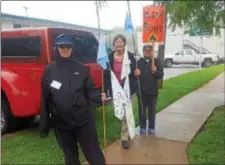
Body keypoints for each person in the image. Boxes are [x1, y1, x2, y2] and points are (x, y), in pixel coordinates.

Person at [40, 34, 106, 165]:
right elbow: (45, 99)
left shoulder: (82, 69)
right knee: (71, 159)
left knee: (95, 156)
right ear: (56, 48)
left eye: (68, 46)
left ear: (72, 48)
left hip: (84, 122)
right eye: (62, 46)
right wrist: (44, 125)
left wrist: (98, 96)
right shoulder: (49, 70)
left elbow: (90, 91)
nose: (65, 49)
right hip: (62, 125)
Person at [101, 34, 137, 149]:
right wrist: (105, 91)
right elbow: (106, 76)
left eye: (121, 41)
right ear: (114, 45)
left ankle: (125, 137)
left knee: (127, 114)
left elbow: (135, 72)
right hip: (116, 90)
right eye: (117, 42)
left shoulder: (130, 56)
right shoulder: (109, 58)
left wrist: (137, 72)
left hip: (128, 90)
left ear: (124, 44)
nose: (119, 44)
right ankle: (126, 130)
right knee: (120, 113)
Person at [134, 45, 164, 135]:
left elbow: (160, 75)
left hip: (152, 92)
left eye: (149, 50)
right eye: (145, 50)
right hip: (141, 92)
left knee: (152, 111)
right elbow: (134, 76)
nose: (147, 51)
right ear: (143, 52)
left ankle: (151, 127)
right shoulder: (139, 62)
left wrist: (155, 71)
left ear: (152, 52)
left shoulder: (157, 62)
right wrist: (136, 73)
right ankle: (142, 127)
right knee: (142, 111)